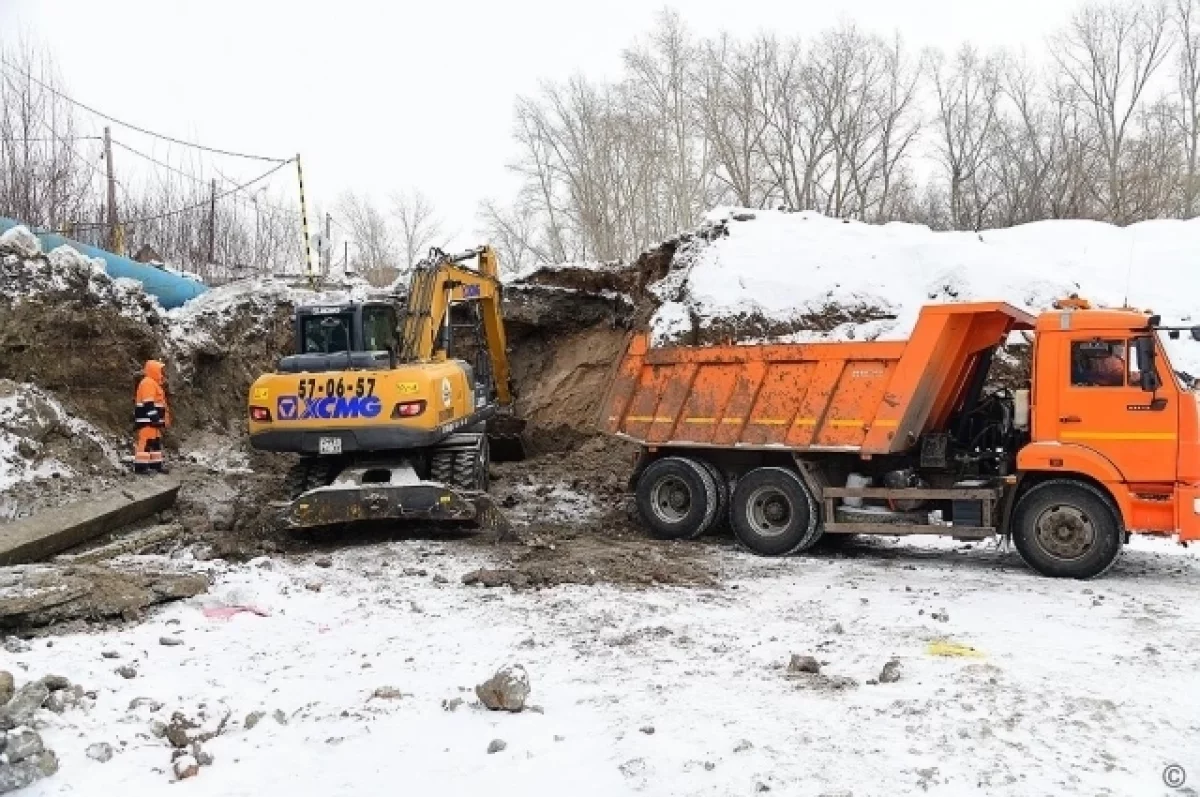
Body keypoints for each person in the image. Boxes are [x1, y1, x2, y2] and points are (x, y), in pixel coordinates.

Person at [133, 360, 170, 473]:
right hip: (148, 420)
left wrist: (160, 420)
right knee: (146, 442)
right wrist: (155, 418)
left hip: (153, 421)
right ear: (154, 371)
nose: (162, 373)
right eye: (160, 371)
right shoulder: (148, 383)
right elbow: (148, 403)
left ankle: (156, 465)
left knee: (155, 443)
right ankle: (141, 467)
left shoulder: (154, 384)